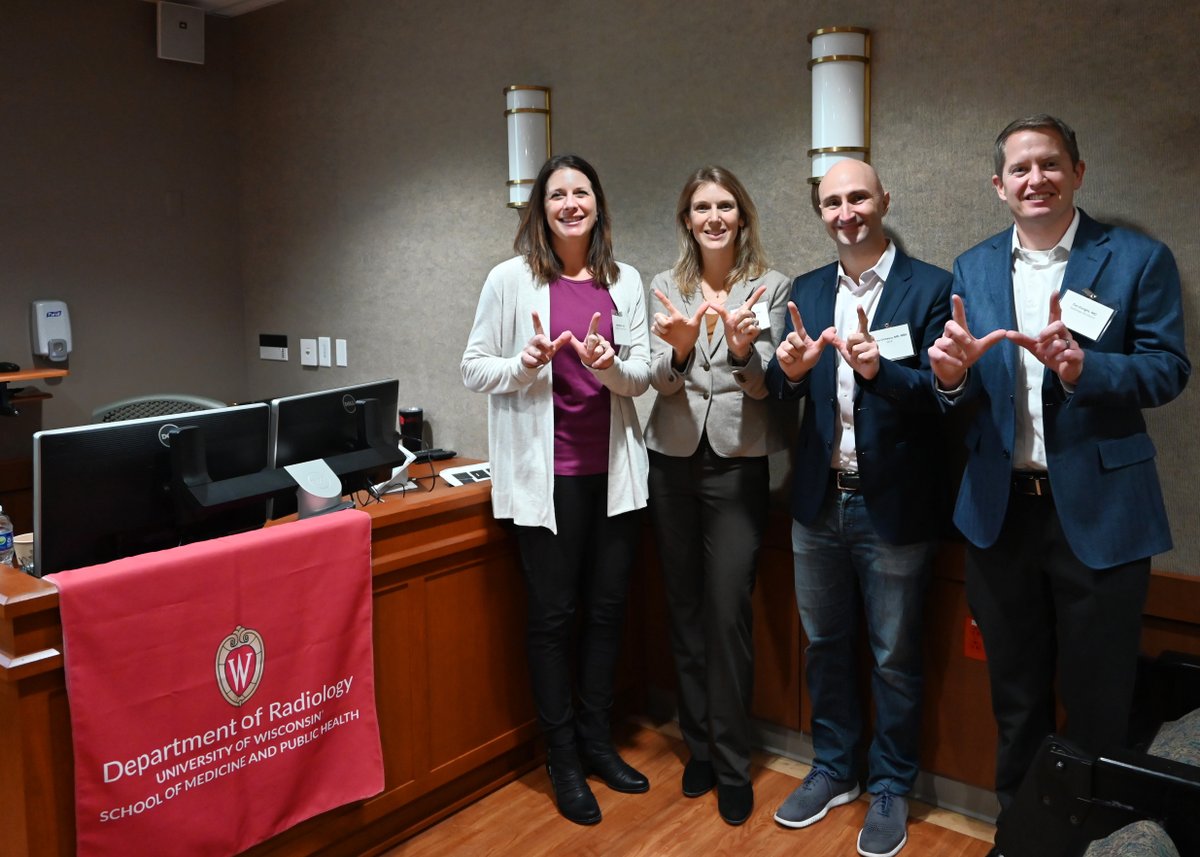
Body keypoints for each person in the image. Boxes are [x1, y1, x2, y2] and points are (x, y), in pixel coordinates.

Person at [927, 115, 1189, 849]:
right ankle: (1023, 834)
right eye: (1020, 168)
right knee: (1014, 698)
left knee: (1099, 700)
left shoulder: (1136, 257)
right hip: (1000, 514)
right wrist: (949, 379)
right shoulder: (973, 266)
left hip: (1102, 515)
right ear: (999, 185)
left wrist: (1085, 368)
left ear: (1077, 171)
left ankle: (1094, 843)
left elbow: (1170, 368)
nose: (1035, 178)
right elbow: (961, 383)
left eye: (1050, 164)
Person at [766, 159, 952, 857]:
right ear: (821, 212)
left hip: (895, 508)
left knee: (895, 657)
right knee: (825, 646)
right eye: (833, 201)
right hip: (817, 504)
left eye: (858, 197)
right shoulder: (806, 290)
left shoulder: (930, 287)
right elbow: (781, 389)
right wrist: (785, 374)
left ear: (884, 200)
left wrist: (882, 372)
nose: (846, 211)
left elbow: (946, 397)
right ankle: (834, 768)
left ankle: (891, 784)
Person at [461, 154, 652, 826]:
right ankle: (562, 756)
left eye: (581, 191)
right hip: (547, 483)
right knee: (552, 619)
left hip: (614, 478)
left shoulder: (624, 281)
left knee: (605, 612)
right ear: (541, 209)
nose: (571, 202)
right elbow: (474, 367)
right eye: (557, 194)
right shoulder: (509, 280)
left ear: (598, 203)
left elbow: (641, 378)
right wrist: (525, 363)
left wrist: (610, 367)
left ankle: (599, 742)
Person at [644, 166, 792, 826]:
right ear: (686, 218)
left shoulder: (772, 286)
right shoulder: (663, 285)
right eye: (701, 205)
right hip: (671, 460)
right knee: (683, 606)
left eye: (725, 205)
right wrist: (676, 356)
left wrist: (740, 353)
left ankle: (733, 762)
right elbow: (659, 381)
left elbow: (767, 388)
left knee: (728, 612)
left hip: (738, 465)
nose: (714, 216)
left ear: (742, 215)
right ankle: (697, 743)